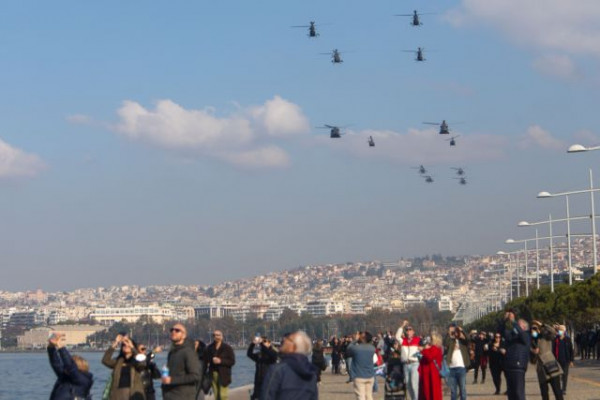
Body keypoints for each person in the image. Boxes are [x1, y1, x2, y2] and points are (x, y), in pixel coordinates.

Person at [260, 330, 318, 400]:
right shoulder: (311, 373)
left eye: (287, 339)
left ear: (293, 346)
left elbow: (266, 396)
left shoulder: (277, 370)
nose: (283, 340)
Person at [47, 332, 93, 400]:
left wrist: (60, 346)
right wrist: (51, 346)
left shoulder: (83, 380)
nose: (65, 367)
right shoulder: (65, 376)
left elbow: (70, 365)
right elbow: (55, 362)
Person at [161, 323, 201, 400]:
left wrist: (172, 380)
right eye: (172, 330)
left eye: (177, 330)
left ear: (184, 335)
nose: (173, 332)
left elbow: (195, 376)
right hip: (170, 395)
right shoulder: (172, 352)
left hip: (183, 396)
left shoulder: (188, 352)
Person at [102, 333, 146, 400]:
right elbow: (105, 360)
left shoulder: (136, 361)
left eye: (128, 345)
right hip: (118, 394)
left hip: (133, 394)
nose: (126, 346)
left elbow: (142, 363)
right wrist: (116, 343)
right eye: (124, 345)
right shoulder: (119, 361)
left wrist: (132, 347)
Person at [500, 310, 530, 400]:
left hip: (519, 366)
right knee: (511, 394)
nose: (516, 326)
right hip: (509, 366)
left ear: (524, 327)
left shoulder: (526, 334)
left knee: (518, 393)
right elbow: (502, 332)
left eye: (519, 324)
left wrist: (513, 321)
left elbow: (522, 335)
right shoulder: (512, 336)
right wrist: (505, 321)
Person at [531, 321, 563, 400]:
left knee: (557, 392)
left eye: (535, 328)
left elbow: (553, 332)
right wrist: (534, 353)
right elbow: (532, 361)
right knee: (544, 394)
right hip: (541, 370)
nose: (534, 331)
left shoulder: (545, 337)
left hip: (551, 367)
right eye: (532, 329)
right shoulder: (531, 342)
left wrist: (542, 324)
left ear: (539, 329)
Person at [204, 330, 236, 400]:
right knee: (216, 395)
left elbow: (232, 361)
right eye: (214, 335)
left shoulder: (227, 348)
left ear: (222, 336)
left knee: (223, 396)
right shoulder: (209, 348)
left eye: (218, 335)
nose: (216, 337)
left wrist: (221, 361)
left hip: (224, 374)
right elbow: (205, 361)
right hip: (213, 374)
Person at [345, 331, 376, 400]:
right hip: (370, 375)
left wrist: (355, 340)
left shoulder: (356, 348)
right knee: (369, 396)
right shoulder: (372, 348)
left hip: (359, 376)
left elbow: (348, 349)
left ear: (362, 338)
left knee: (361, 396)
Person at [444, 323, 469, 400]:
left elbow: (468, 340)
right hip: (451, 368)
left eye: (456, 331)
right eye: (453, 331)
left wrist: (462, 331)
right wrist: (448, 333)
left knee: (462, 389)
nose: (455, 333)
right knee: (453, 391)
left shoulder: (462, 341)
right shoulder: (451, 340)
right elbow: (445, 343)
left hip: (461, 367)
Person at [247, 336, 277, 400]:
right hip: (258, 381)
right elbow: (249, 354)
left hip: (269, 381)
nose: (263, 343)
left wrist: (261, 343)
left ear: (269, 343)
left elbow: (270, 354)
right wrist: (253, 344)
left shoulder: (273, 353)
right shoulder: (259, 355)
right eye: (262, 342)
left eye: (264, 341)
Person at [397, 320, 422, 400]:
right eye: (407, 330)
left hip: (415, 364)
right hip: (406, 364)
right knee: (408, 385)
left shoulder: (418, 339)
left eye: (410, 330)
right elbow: (397, 336)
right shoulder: (403, 340)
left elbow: (424, 349)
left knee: (414, 384)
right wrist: (402, 326)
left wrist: (421, 350)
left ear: (413, 332)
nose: (408, 331)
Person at [418, 334, 443, 400]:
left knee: (433, 393)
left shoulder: (436, 348)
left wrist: (423, 349)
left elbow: (430, 357)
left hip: (432, 374)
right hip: (427, 374)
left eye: (431, 339)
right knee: (427, 392)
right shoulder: (431, 348)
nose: (429, 341)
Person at [552, 324, 573, 395]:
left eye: (561, 330)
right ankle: (558, 389)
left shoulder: (567, 339)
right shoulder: (556, 339)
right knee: (557, 375)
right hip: (557, 360)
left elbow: (571, 350)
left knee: (565, 375)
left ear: (564, 331)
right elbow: (553, 350)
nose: (560, 331)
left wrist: (571, 360)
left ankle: (564, 389)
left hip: (566, 360)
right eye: (559, 330)